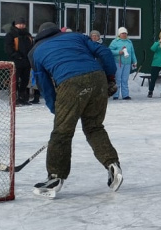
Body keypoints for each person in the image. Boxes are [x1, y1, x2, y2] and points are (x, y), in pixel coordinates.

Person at [29, 21, 123, 197]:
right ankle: (112, 164)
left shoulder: (35, 52)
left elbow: (44, 85)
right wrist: (109, 77)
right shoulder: (75, 36)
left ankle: (55, 177)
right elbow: (103, 51)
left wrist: (56, 109)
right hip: (98, 78)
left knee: (61, 133)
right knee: (94, 127)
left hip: (70, 82)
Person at [4, 18, 34, 104]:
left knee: (25, 80)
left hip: (27, 61)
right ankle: (14, 98)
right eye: (19, 24)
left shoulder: (28, 35)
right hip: (16, 61)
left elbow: (32, 46)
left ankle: (23, 98)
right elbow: (8, 48)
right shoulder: (11, 34)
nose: (21, 25)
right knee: (15, 80)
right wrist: (16, 55)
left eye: (23, 24)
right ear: (15, 24)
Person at [108, 27, 136, 100]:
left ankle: (125, 95)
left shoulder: (129, 42)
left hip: (127, 63)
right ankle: (116, 95)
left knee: (125, 79)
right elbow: (110, 50)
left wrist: (134, 61)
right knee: (118, 79)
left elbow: (132, 52)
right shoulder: (115, 42)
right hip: (118, 62)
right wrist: (118, 52)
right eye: (122, 33)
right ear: (119, 34)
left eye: (125, 33)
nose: (124, 35)